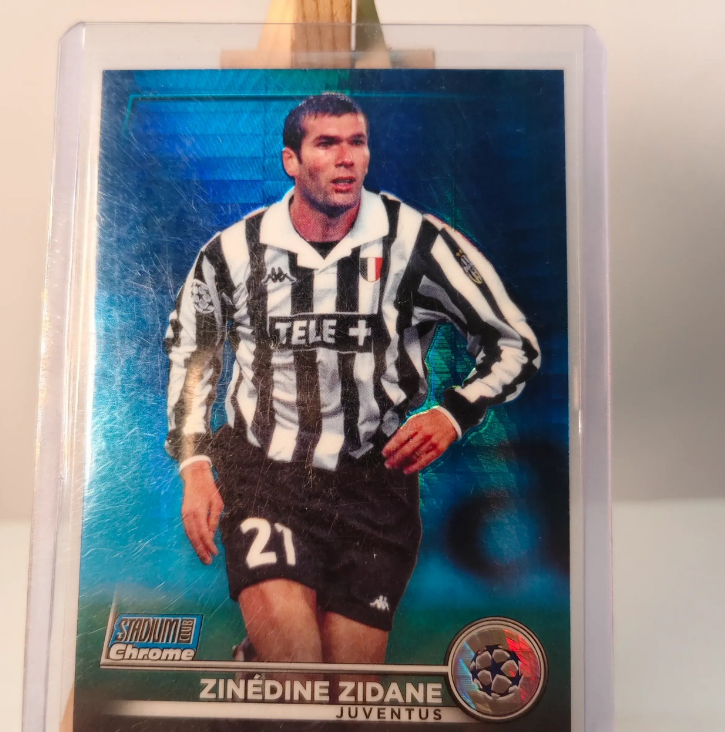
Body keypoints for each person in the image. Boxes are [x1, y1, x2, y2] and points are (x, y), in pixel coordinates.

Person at [165, 93, 539, 667]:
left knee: (348, 701)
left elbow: (514, 343)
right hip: (267, 479)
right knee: (300, 681)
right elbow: (194, 350)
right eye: (327, 144)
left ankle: (253, 666)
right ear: (291, 160)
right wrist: (194, 465)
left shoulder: (416, 241)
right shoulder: (233, 252)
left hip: (376, 489)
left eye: (357, 142)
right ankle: (273, 668)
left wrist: (453, 413)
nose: (347, 158)